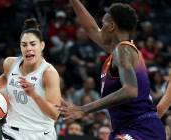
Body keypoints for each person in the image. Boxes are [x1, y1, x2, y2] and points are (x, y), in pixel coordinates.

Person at [58, 1, 166, 139]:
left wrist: (83, 109)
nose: (100, 28)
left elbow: (130, 91)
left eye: (103, 24)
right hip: (126, 128)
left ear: (112, 26)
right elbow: (91, 29)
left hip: (142, 129)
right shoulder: (119, 51)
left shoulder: (123, 50)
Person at [0, 18, 61, 140]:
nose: (28, 48)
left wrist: (34, 95)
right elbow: (4, 79)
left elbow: (54, 114)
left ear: (42, 45)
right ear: (20, 46)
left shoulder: (48, 73)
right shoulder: (10, 63)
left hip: (41, 134)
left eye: (33, 44)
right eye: (24, 44)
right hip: (12, 132)